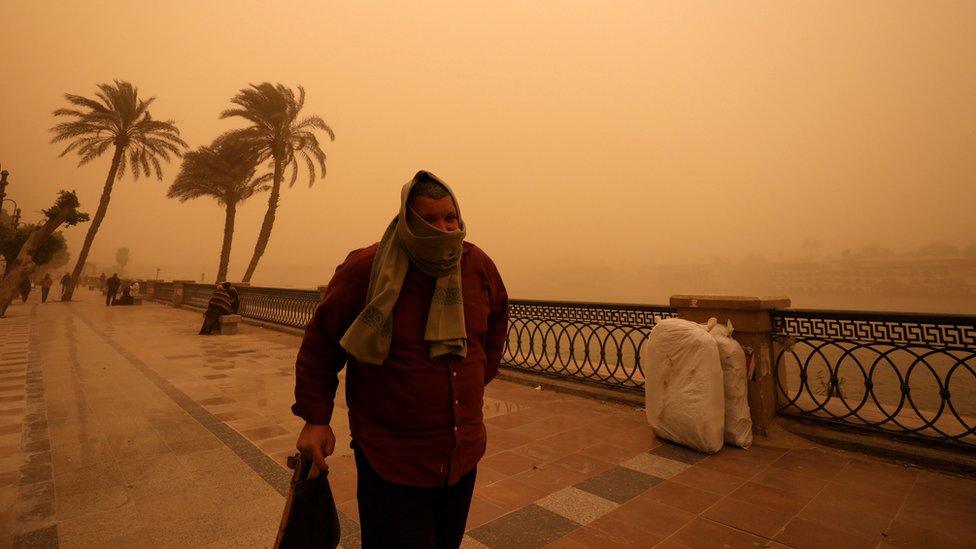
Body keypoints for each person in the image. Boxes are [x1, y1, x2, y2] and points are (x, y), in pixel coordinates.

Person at [293, 171, 509, 548]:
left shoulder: (477, 266)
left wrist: (471, 383)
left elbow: (495, 329)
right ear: (407, 220)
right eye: (428, 219)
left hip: (461, 452)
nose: (442, 228)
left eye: (449, 217)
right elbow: (321, 343)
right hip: (391, 458)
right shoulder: (369, 268)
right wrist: (316, 419)